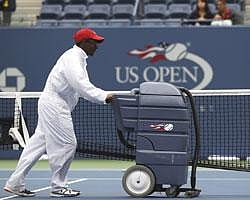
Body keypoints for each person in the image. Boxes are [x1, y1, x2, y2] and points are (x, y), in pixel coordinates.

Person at [3, 28, 113, 197]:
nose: (97, 46)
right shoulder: (73, 59)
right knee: (68, 144)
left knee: (36, 146)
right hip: (55, 106)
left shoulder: (78, 58)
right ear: (84, 43)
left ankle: (14, 183)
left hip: (52, 104)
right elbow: (81, 86)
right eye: (94, 42)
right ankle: (58, 186)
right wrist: (104, 96)